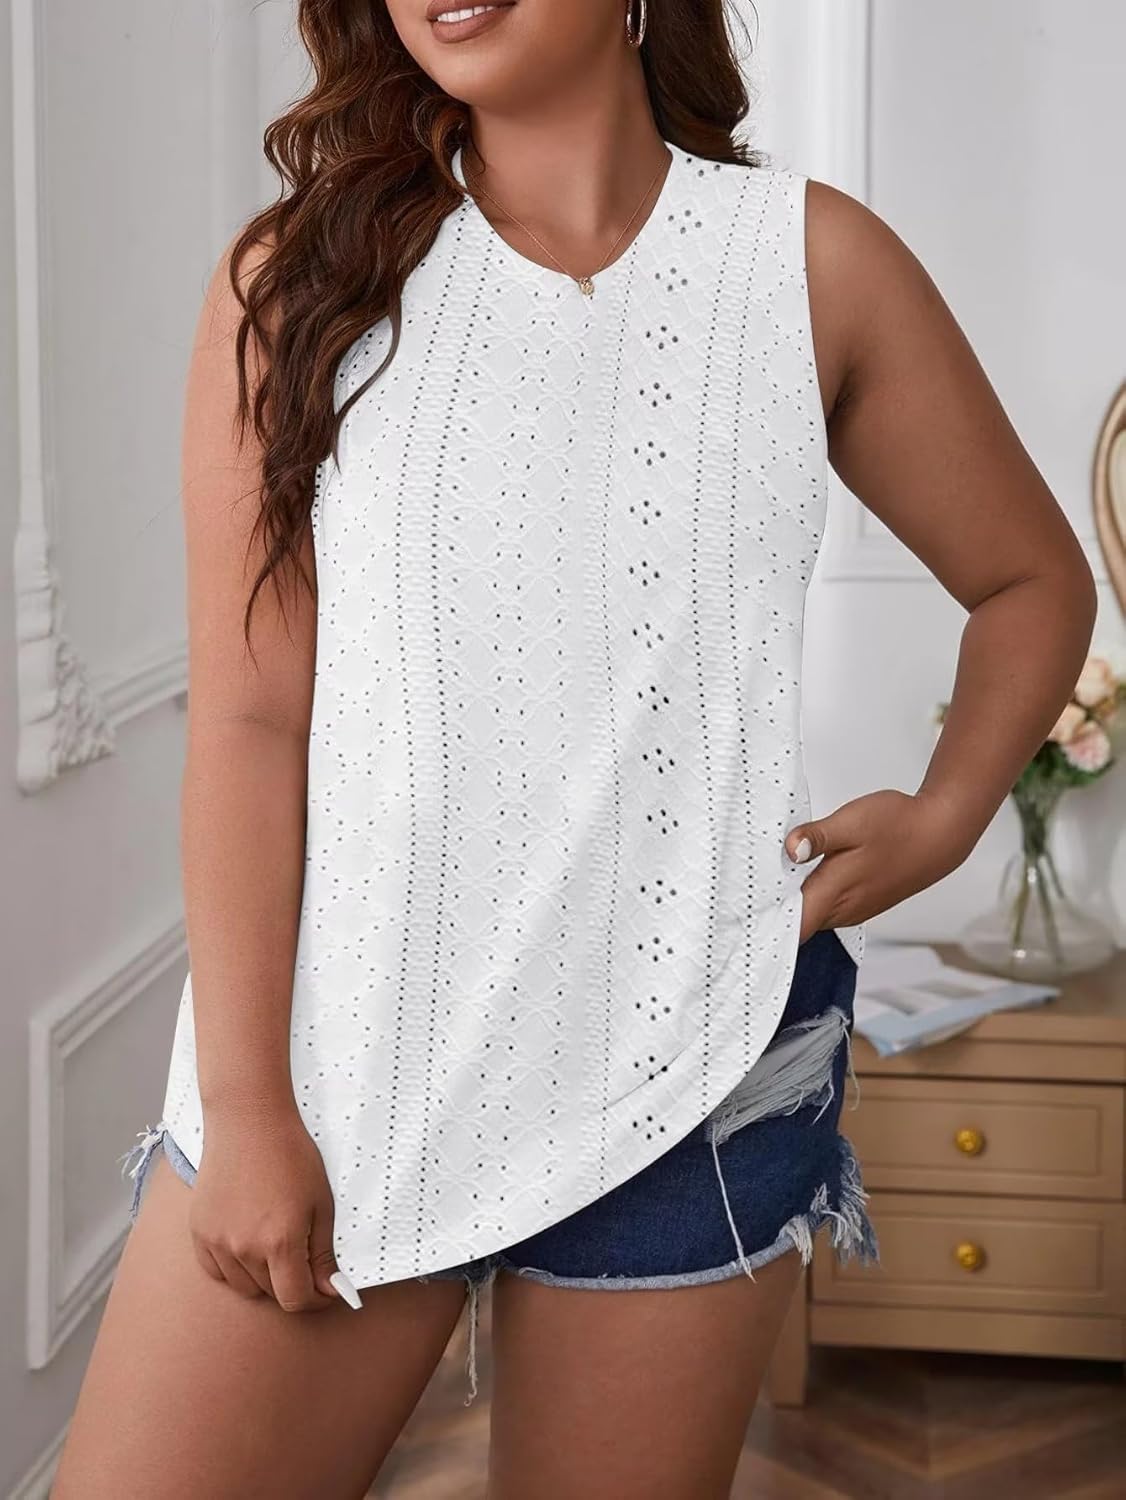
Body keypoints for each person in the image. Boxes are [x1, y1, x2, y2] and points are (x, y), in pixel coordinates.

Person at [53, 2, 1096, 1496]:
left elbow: (1030, 581)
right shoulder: (303, 280)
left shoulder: (810, 267)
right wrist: (252, 1110)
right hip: (344, 1066)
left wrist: (944, 816)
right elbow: (247, 720)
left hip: (700, 1061)